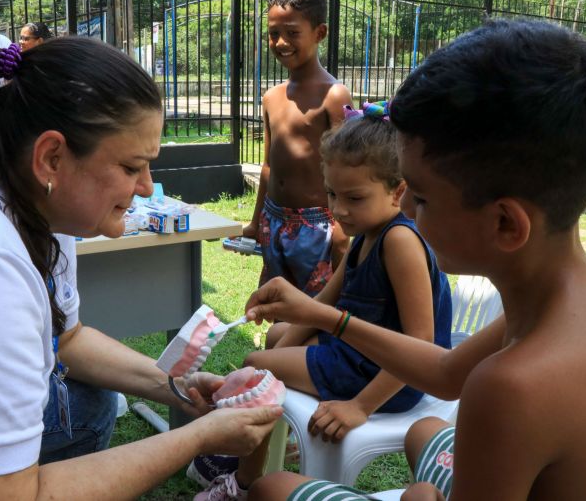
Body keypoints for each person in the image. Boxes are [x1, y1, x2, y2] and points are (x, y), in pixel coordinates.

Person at [243, 19, 586, 500]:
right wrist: (327, 318)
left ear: (506, 224)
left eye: (420, 197)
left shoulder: (509, 388)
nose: (404, 210)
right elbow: (446, 376)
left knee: (274, 489)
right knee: (425, 431)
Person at [0, 37, 281, 500]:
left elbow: (68, 337)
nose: (146, 187)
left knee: (90, 404)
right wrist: (197, 437)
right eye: (131, 166)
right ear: (52, 157)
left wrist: (180, 388)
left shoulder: (31, 195)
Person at [193, 102, 453, 501]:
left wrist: (361, 407)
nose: (338, 209)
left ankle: (242, 484)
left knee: (255, 366)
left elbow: (422, 348)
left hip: (386, 377)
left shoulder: (399, 242)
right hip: (356, 353)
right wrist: (284, 342)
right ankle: (267, 439)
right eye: (332, 193)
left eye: (355, 197)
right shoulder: (366, 235)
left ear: (397, 190)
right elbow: (318, 307)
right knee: (278, 339)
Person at [242, 0, 352, 297]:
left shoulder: (333, 95)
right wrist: (256, 221)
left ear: (319, 33)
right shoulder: (271, 97)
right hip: (273, 221)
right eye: (273, 34)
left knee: (315, 310)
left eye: (292, 33)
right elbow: (268, 167)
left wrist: (342, 229)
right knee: (280, 305)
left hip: (318, 229)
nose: (280, 42)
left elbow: (349, 168)